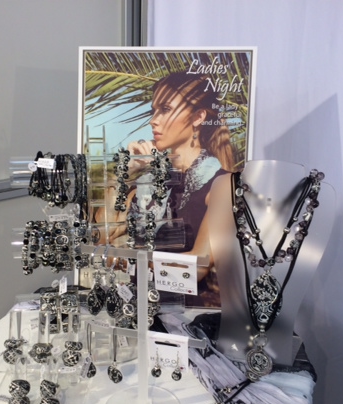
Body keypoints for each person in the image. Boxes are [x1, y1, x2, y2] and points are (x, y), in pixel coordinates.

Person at [94, 71, 238, 307]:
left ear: (198, 117)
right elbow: (100, 237)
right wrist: (124, 175)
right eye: (154, 111)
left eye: (166, 109)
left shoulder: (222, 184)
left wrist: (126, 258)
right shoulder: (149, 183)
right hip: (139, 311)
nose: (154, 120)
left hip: (190, 318)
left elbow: (197, 267)